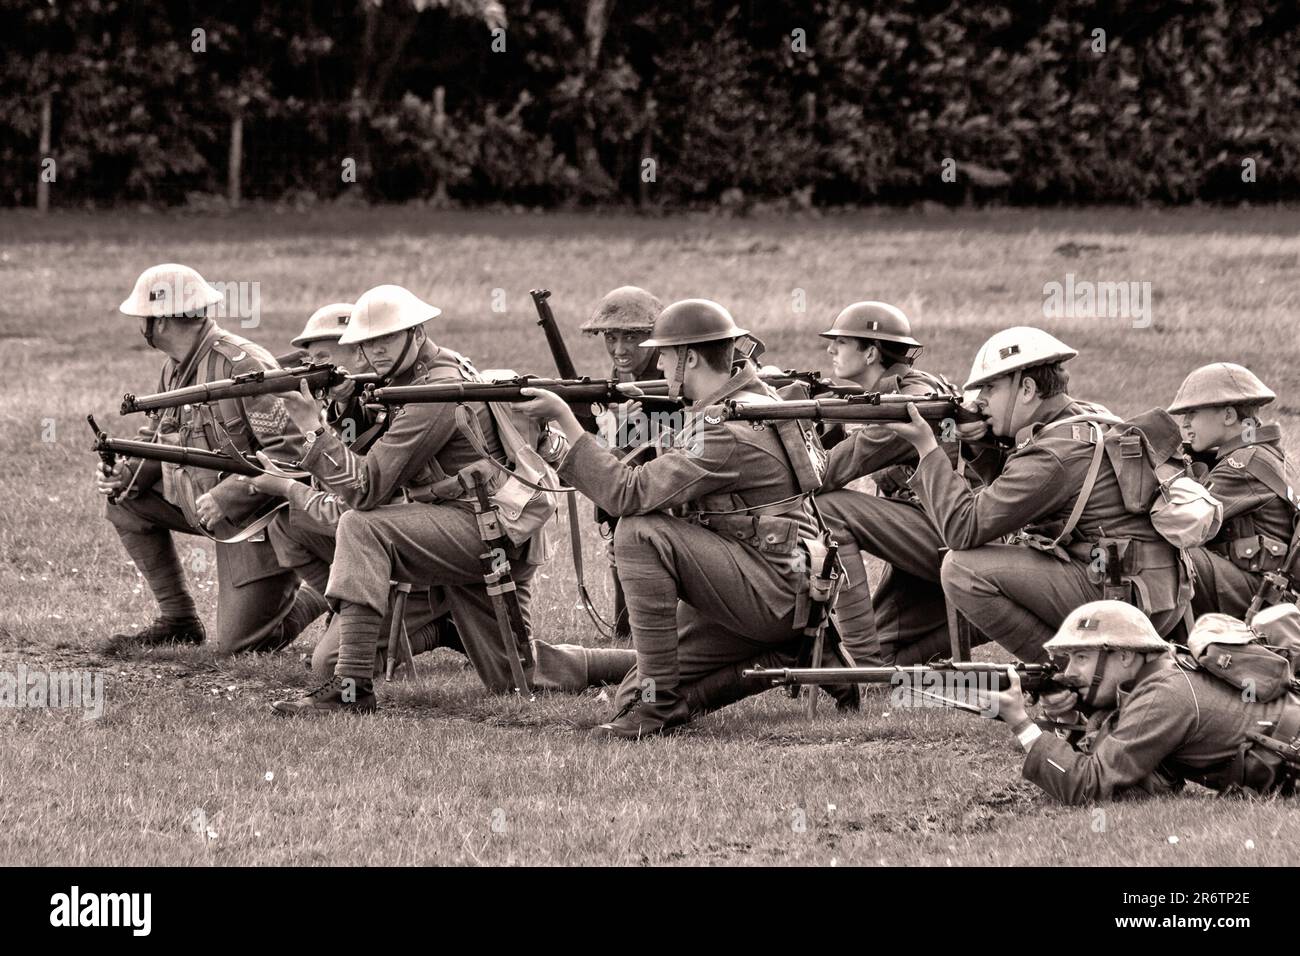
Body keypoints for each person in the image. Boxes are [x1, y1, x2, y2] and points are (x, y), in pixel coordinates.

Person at [269, 284, 631, 715]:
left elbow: (364, 488)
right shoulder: (420, 376)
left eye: (386, 338)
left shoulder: (435, 393)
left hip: (482, 531)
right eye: (367, 343)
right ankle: (653, 663)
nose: (375, 352)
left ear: (417, 333)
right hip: (472, 528)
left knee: (361, 525)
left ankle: (351, 688)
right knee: (518, 677)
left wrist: (312, 427)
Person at [518, 298, 835, 739]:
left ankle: (658, 708)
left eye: (665, 354)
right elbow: (664, 465)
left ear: (689, 357)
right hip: (778, 584)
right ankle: (788, 656)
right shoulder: (751, 400)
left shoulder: (725, 430)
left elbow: (629, 493)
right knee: (632, 690)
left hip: (771, 590)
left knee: (638, 533)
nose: (660, 364)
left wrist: (565, 422)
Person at [887, 327, 1185, 662]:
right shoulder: (1084, 416)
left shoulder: (1053, 454)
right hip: (1152, 588)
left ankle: (1069, 678)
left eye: (990, 387)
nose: (979, 399)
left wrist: (927, 448)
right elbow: (1018, 484)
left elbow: (963, 529)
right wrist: (977, 443)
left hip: (1120, 596)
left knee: (963, 570)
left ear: (1026, 388)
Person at [98, 263, 324, 655]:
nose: (140, 325)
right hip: (200, 504)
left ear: (163, 322)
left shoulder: (243, 367)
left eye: (144, 317)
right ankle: (179, 620)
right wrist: (126, 474)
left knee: (241, 645)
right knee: (125, 502)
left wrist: (228, 497)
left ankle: (331, 591)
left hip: (258, 518)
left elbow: (291, 452)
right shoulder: (175, 368)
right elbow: (157, 436)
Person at [253, 302, 462, 679]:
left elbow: (359, 498)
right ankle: (349, 614)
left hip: (435, 554)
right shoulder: (375, 396)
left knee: (330, 666)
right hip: (405, 540)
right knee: (288, 524)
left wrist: (292, 475)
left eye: (322, 361)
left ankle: (439, 626)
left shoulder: (414, 398)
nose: (310, 371)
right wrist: (343, 405)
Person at [812, 302, 994, 665]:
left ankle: (861, 672)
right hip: (939, 530)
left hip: (956, 534)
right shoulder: (900, 391)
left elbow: (825, 473)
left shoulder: (909, 402)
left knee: (830, 507)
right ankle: (878, 668)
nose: (830, 350)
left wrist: (784, 423)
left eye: (842, 342)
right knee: (884, 649)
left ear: (871, 352)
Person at [982, 600, 1300, 804]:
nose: (1070, 671)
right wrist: (1072, 718)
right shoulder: (1164, 671)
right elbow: (1146, 776)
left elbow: (1087, 785)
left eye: (1081, 657)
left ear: (1124, 655)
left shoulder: (1164, 696)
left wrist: (1021, 723)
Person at [1169, 363, 1297, 618]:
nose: (1185, 424)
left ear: (1228, 416)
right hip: (1268, 586)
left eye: (1192, 413)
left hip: (1262, 594)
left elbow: (1183, 521)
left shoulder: (1243, 465)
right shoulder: (1269, 454)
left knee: (1167, 554)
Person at [579, 287, 665, 640]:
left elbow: (663, 438)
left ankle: (633, 630)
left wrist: (622, 430)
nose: (619, 349)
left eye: (631, 337)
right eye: (611, 337)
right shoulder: (625, 379)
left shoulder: (662, 380)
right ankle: (625, 629)